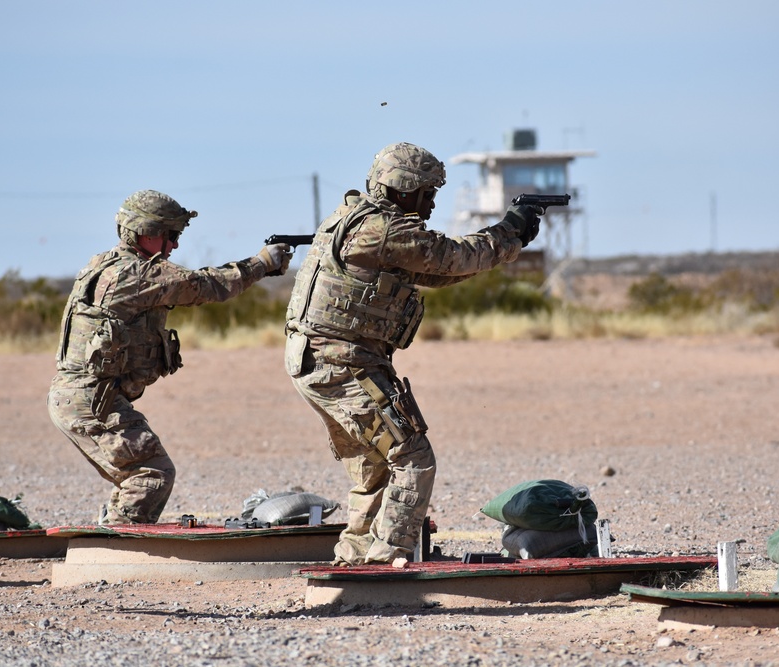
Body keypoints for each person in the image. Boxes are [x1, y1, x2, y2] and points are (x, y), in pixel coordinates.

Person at [284, 142, 541, 565]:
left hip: (322, 360)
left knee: (375, 469)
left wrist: (506, 241)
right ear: (404, 190)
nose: (433, 202)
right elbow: (452, 257)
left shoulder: (356, 219)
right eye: (427, 192)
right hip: (341, 363)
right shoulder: (385, 229)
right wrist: (509, 232)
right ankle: (388, 561)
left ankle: (356, 560)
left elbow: (435, 271)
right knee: (413, 458)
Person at [47, 189, 292, 525]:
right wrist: (262, 264)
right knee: (151, 474)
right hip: (91, 402)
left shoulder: (103, 263)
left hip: (87, 397)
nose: (175, 245)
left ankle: (115, 531)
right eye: (171, 235)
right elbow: (207, 285)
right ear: (146, 233)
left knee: (140, 472)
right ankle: (121, 549)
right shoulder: (136, 274)